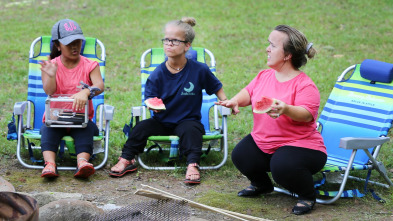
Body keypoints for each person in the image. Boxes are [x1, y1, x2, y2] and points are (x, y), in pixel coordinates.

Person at [216, 25, 327, 215]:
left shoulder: (305, 85)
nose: (267, 49)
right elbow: (248, 93)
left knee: (282, 166)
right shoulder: (264, 76)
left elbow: (307, 114)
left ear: (287, 55)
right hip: (265, 143)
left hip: (302, 146)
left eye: (272, 46)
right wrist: (234, 100)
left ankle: (307, 196)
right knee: (240, 155)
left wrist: (285, 109)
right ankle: (261, 185)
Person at [109, 17, 227, 184]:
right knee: (141, 128)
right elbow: (150, 98)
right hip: (162, 121)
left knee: (192, 131)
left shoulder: (199, 69)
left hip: (187, 120)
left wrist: (225, 101)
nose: (169, 44)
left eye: (175, 41)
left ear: (187, 45)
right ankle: (126, 159)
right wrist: (153, 107)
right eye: (166, 40)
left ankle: (192, 164)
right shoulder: (157, 73)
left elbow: (216, 87)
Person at [39, 19, 104, 178]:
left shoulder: (90, 65)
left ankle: (82, 163)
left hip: (81, 119)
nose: (75, 46)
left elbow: (100, 86)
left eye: (77, 42)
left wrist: (86, 92)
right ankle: (50, 164)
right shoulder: (50, 66)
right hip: (56, 118)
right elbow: (49, 90)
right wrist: (52, 75)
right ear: (58, 45)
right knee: (47, 130)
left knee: (86, 131)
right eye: (69, 43)